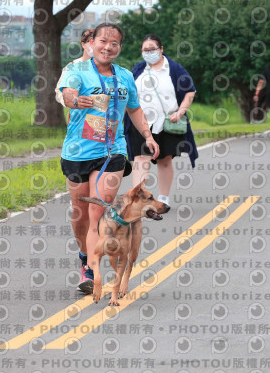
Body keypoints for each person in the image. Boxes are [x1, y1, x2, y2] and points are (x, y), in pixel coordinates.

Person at [58, 23, 159, 293]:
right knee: (80, 214)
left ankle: (92, 271)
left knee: (97, 210)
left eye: (114, 43)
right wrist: (75, 100)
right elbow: (67, 94)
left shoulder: (125, 76)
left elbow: (134, 109)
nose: (108, 47)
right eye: (103, 41)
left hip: (113, 151)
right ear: (92, 43)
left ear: (120, 48)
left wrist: (148, 136)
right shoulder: (76, 70)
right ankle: (84, 257)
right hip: (78, 152)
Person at [124, 34, 198, 208]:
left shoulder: (174, 68)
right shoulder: (138, 69)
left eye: (152, 49)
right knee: (141, 158)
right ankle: (139, 199)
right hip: (140, 123)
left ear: (161, 49)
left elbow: (190, 91)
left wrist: (181, 111)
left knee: (164, 160)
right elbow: (129, 94)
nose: (149, 53)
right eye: (145, 50)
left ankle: (163, 198)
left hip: (166, 123)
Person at [55, 28, 94, 108]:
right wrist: (74, 102)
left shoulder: (106, 68)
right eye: (90, 42)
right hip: (79, 112)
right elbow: (59, 92)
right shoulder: (73, 66)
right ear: (83, 44)